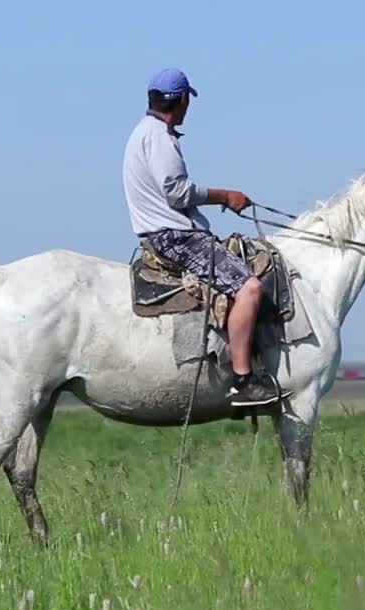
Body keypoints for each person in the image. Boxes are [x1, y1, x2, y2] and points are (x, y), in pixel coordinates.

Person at [122, 67, 282, 407]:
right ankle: (243, 379)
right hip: (177, 238)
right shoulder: (160, 139)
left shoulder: (143, 133)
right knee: (250, 288)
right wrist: (225, 196)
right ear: (182, 100)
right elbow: (177, 193)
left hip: (166, 233)